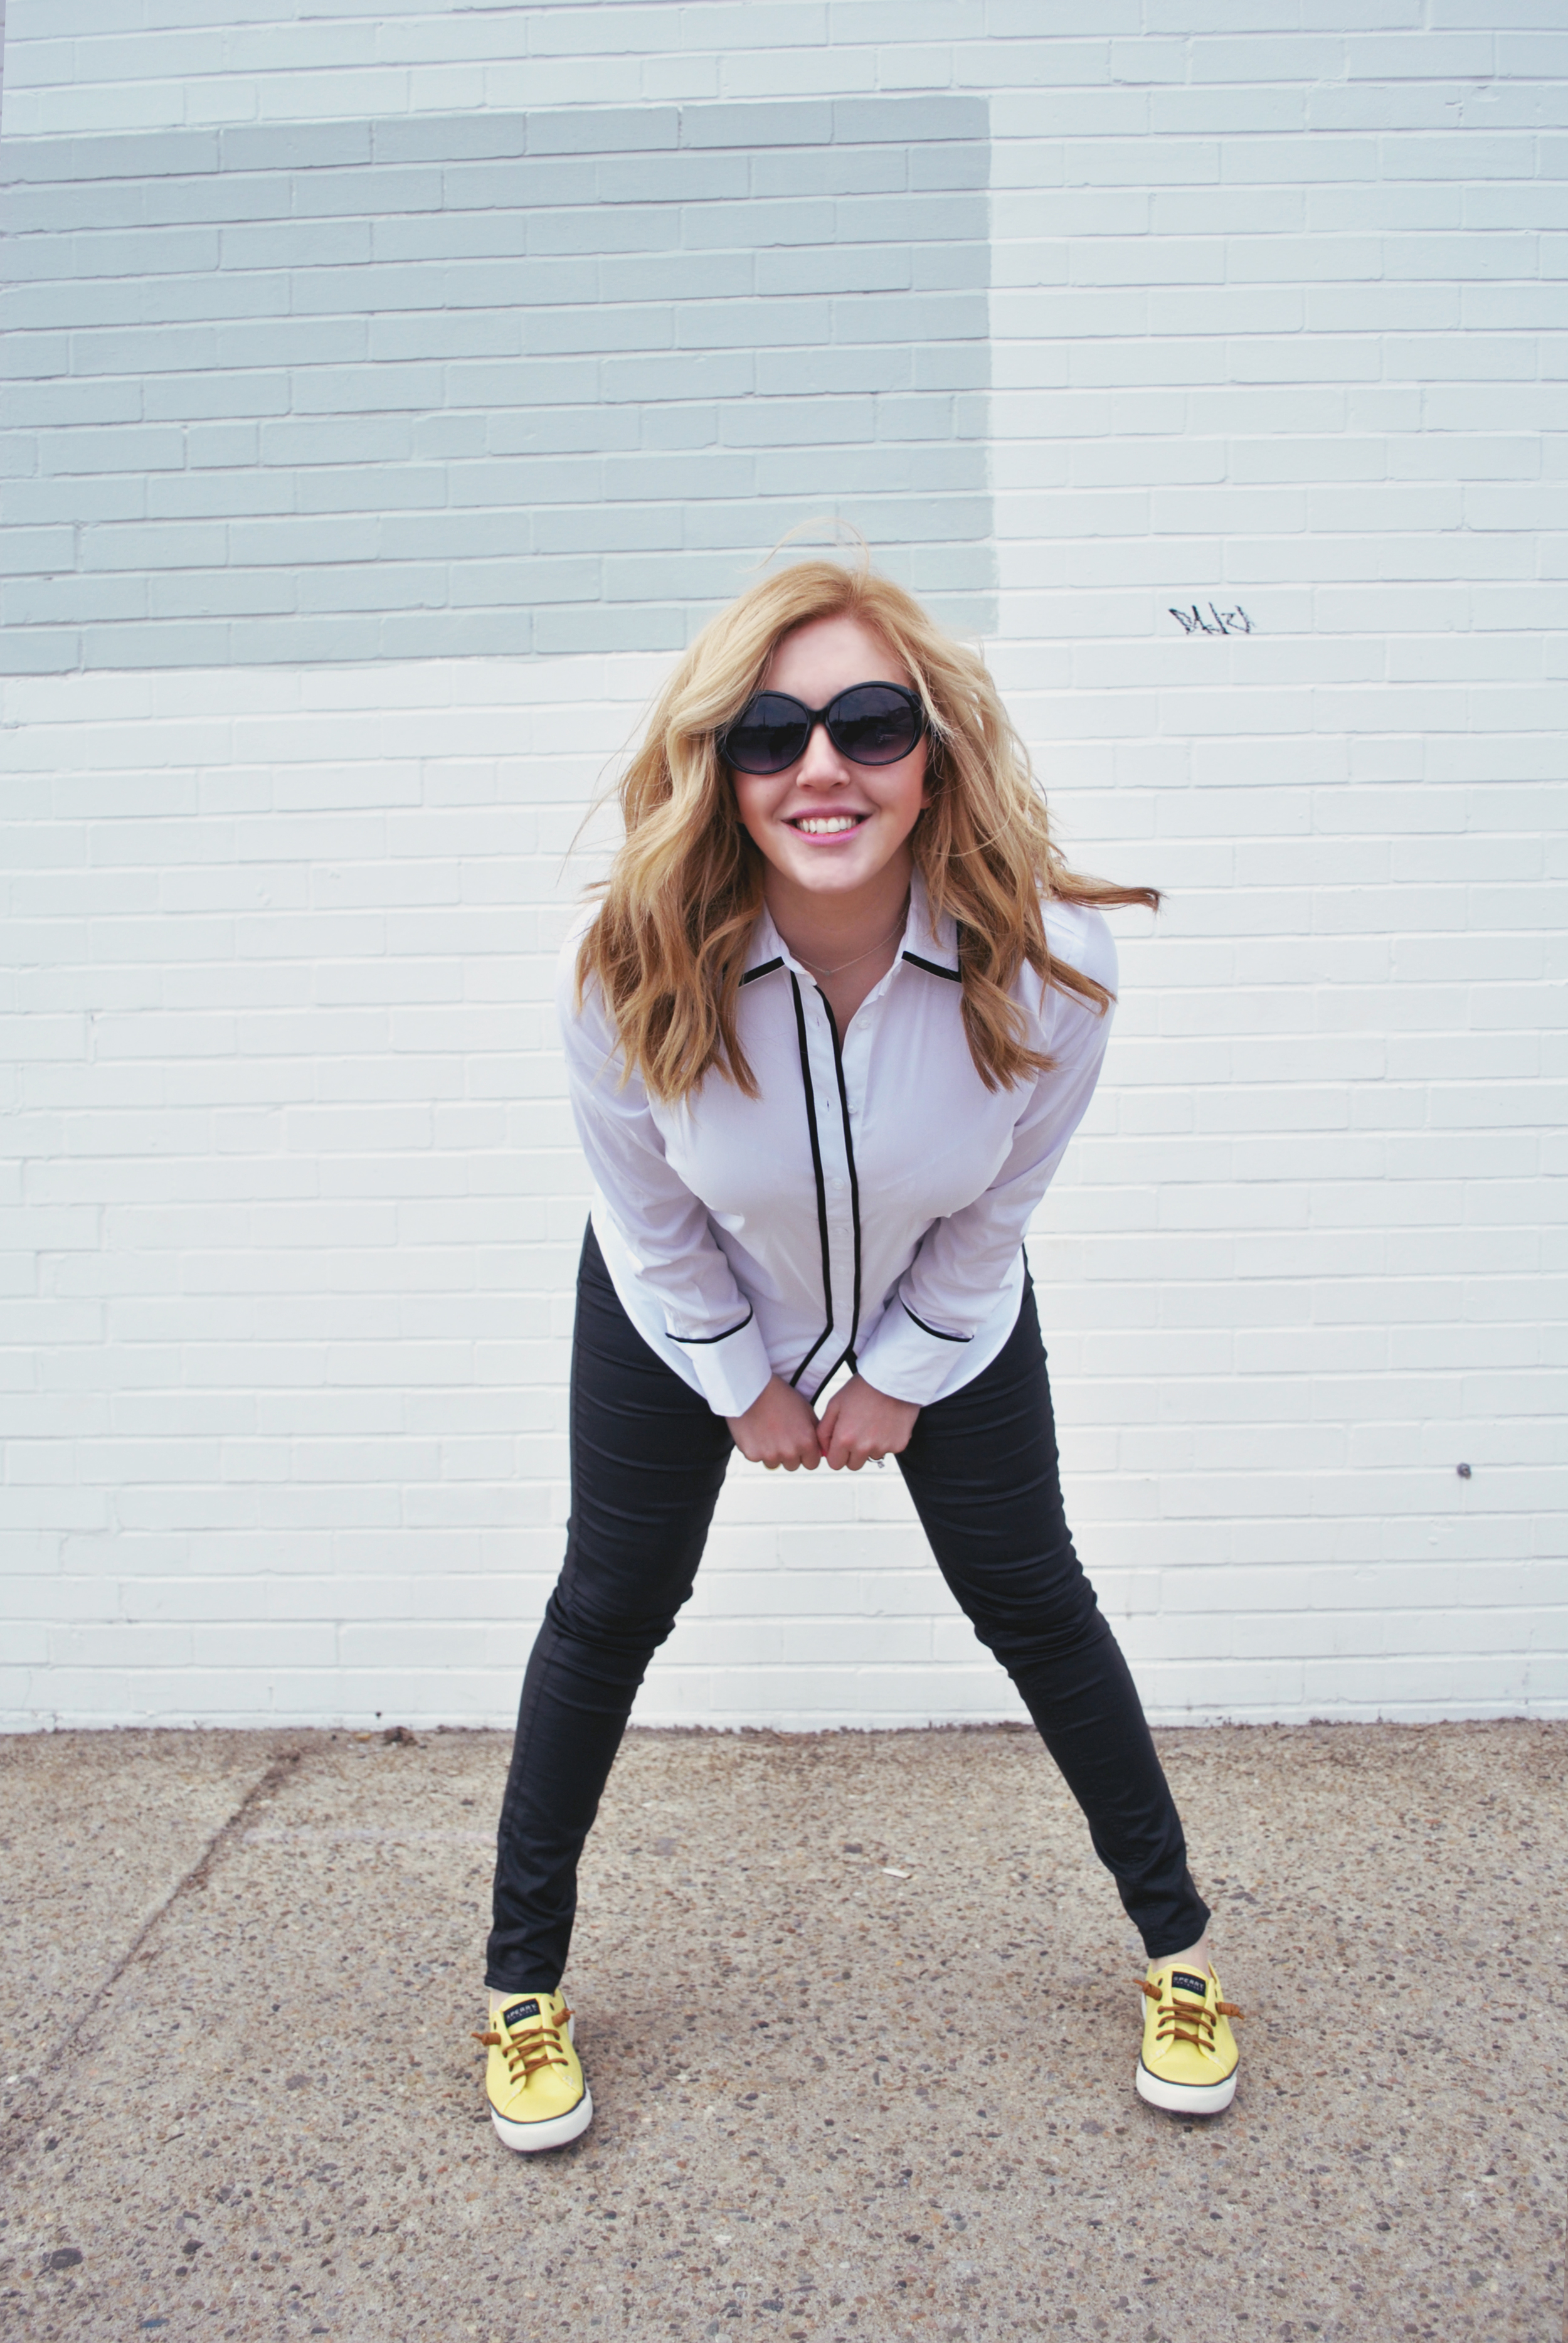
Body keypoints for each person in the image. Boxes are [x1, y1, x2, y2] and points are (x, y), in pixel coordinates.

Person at [474, 559, 1242, 2151]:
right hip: (681, 1300)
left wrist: (897, 1366)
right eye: (770, 732)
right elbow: (646, 1209)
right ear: (719, 763)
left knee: (1034, 1598)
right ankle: (519, 1987)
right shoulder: (619, 964)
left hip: (936, 1303)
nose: (820, 766)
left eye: (868, 721)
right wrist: (743, 1382)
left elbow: (997, 1205)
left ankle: (1180, 1954)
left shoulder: (1055, 963)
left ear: (933, 748)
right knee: (609, 1606)